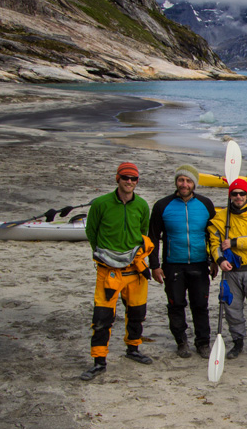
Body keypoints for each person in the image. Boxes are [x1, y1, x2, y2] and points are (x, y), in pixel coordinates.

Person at [80, 162, 154, 381]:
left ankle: (133, 349)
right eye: (125, 178)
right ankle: (99, 361)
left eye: (133, 179)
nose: (129, 182)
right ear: (117, 179)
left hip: (135, 270)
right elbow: (91, 231)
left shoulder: (141, 205)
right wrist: (103, 254)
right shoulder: (101, 204)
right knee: (102, 317)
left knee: (137, 313)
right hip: (108, 271)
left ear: (137, 182)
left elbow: (143, 231)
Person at [149, 165, 217, 359]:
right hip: (173, 264)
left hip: (199, 263)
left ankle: (202, 343)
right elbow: (153, 236)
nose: (184, 184)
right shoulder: (162, 205)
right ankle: (181, 342)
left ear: (194, 183)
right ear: (176, 182)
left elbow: (213, 235)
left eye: (188, 181)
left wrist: (214, 260)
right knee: (176, 304)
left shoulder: (205, 204)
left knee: (200, 305)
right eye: (181, 180)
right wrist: (154, 265)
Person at [207, 179, 247, 361]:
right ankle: (238, 341)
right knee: (232, 309)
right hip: (231, 271)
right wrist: (219, 259)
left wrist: (235, 242)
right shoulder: (221, 218)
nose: (238, 197)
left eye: (242, 194)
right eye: (235, 194)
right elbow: (214, 244)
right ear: (230, 196)